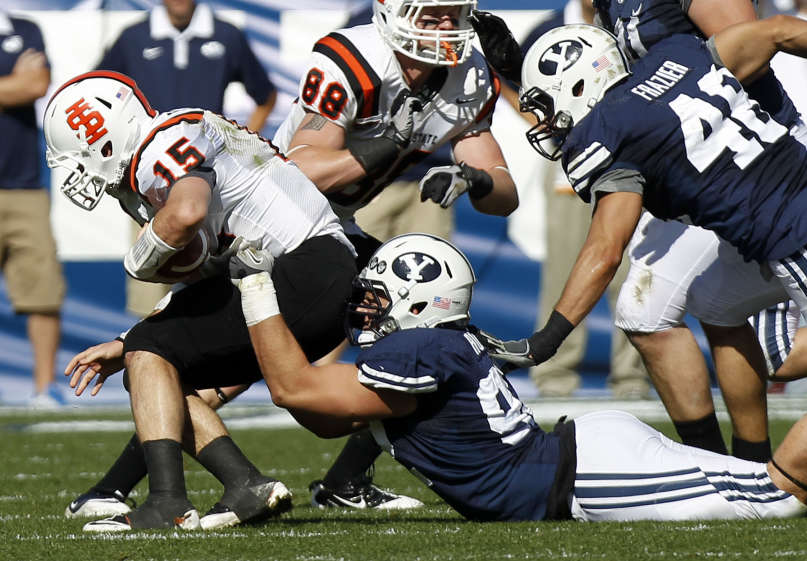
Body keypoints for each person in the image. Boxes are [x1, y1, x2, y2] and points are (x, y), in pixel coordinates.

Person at [200, 232, 807, 522]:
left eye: (377, 298)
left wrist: (256, 288)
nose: (364, 310)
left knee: (779, 496)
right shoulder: (435, 345)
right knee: (775, 487)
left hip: (583, 478)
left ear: (419, 302)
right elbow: (324, 419)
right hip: (587, 456)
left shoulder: (419, 348)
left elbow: (295, 389)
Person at [46, 70, 355, 531]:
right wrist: (127, 340)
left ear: (103, 139)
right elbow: (205, 284)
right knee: (152, 360)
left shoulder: (161, 145)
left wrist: (138, 261)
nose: (79, 171)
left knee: (151, 350)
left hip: (301, 273)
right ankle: (245, 485)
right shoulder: (172, 140)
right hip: (304, 278)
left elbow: (186, 212)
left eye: (79, 156)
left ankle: (167, 502)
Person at [270, 0, 519, 509]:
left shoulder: (468, 75)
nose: (446, 28)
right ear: (395, 14)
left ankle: (343, 482)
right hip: (275, 215)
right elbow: (300, 171)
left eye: (454, 15)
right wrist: (384, 144)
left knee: (430, 332)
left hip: (336, 222)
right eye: (431, 16)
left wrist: (474, 178)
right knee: (226, 363)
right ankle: (125, 487)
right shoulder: (355, 58)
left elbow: (504, 196)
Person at [494, 15, 807, 419]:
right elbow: (778, 29)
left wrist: (547, 339)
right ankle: (742, 454)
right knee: (721, 310)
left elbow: (606, 248)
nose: (547, 121)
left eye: (547, 105)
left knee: (782, 365)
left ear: (578, 87)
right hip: (782, 212)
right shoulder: (676, 54)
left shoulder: (607, 131)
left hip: (792, 229)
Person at [96, 0, 277, 318]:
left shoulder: (226, 35)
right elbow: (99, 96)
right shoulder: (133, 38)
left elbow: (265, 95)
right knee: (149, 292)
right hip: (149, 183)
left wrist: (241, 146)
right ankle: (147, 347)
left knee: (211, 291)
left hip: (210, 183)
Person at [510, 0, 650, 399]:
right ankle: (555, 375)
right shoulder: (552, 28)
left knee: (631, 275)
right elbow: (511, 83)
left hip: (630, 160)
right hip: (569, 164)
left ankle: (632, 379)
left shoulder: (633, 23)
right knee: (566, 271)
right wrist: (548, 123)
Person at [0, 11, 66, 408]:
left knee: (43, 293)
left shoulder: (24, 29)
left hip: (23, 187)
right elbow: (23, 85)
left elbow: (37, 84)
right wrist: (13, 84)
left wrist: (25, 84)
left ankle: (46, 389)